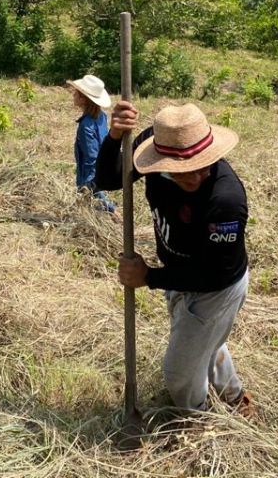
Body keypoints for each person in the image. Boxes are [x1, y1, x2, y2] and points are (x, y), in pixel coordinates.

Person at [94, 101, 253, 416]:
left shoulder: (225, 200)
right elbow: (110, 180)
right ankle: (235, 398)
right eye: (183, 171)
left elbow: (214, 274)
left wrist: (149, 277)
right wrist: (114, 137)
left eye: (202, 166)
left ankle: (198, 421)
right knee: (205, 344)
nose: (194, 177)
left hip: (216, 288)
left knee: (179, 373)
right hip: (179, 272)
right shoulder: (153, 147)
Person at [66, 74, 117, 214]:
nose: (73, 95)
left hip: (91, 173)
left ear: (83, 99)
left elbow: (91, 157)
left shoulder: (85, 126)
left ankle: (113, 213)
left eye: (76, 93)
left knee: (99, 206)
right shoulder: (102, 116)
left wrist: (88, 185)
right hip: (104, 165)